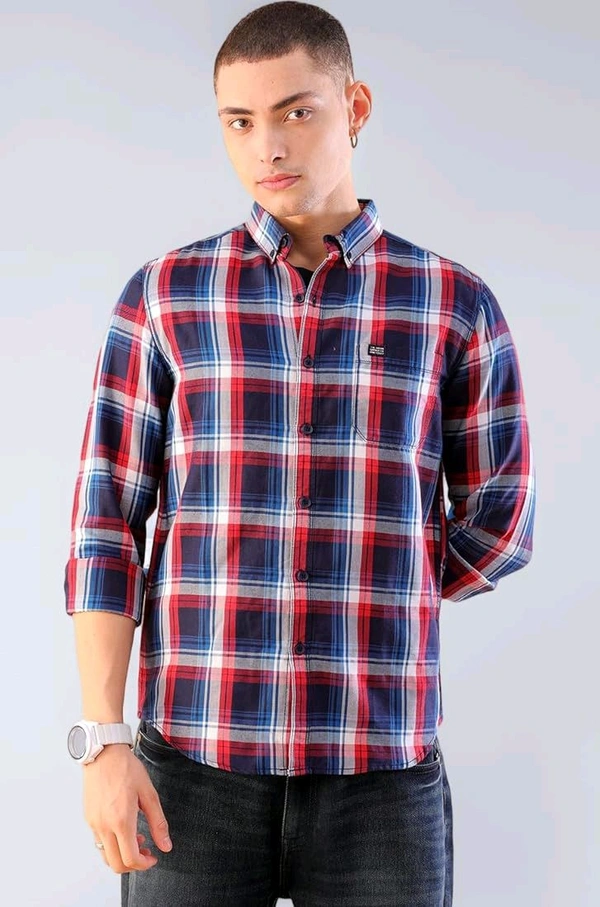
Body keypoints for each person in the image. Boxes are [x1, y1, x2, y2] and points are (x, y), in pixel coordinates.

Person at [63, 3, 536, 905]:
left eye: (296, 112)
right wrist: (102, 741)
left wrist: (378, 570)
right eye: (240, 122)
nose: (268, 147)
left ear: (354, 108)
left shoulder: (452, 303)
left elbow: (501, 520)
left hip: (381, 776)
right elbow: (105, 525)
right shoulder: (165, 297)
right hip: (190, 768)